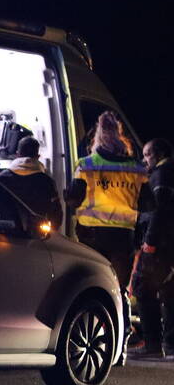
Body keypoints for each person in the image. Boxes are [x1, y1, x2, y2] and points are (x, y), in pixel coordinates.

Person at [67, 111, 149, 289]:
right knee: (118, 288)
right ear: (120, 136)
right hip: (123, 237)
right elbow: (149, 204)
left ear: (97, 137)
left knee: (90, 283)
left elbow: (73, 200)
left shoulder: (86, 164)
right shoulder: (137, 168)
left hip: (90, 235)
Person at [130, 138, 174, 359]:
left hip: (160, 243)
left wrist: (150, 242)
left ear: (159, 154)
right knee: (169, 291)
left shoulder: (161, 174)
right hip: (169, 243)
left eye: (147, 155)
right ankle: (171, 344)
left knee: (142, 287)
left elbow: (159, 210)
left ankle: (152, 344)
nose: (144, 159)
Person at [0, 136, 62, 228]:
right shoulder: (48, 182)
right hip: (36, 232)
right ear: (38, 157)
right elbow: (56, 217)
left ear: (17, 154)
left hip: (6, 231)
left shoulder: (1, 178)